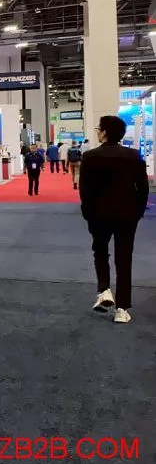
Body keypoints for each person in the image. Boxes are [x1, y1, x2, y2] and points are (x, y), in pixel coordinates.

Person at [80, 116, 149, 324]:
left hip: (99, 215)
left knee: (100, 252)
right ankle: (122, 309)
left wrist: (89, 214)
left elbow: (85, 191)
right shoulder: (133, 156)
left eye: (98, 128)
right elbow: (143, 189)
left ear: (104, 132)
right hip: (127, 216)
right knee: (124, 259)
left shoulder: (90, 156)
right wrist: (137, 212)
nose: (97, 132)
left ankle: (104, 290)